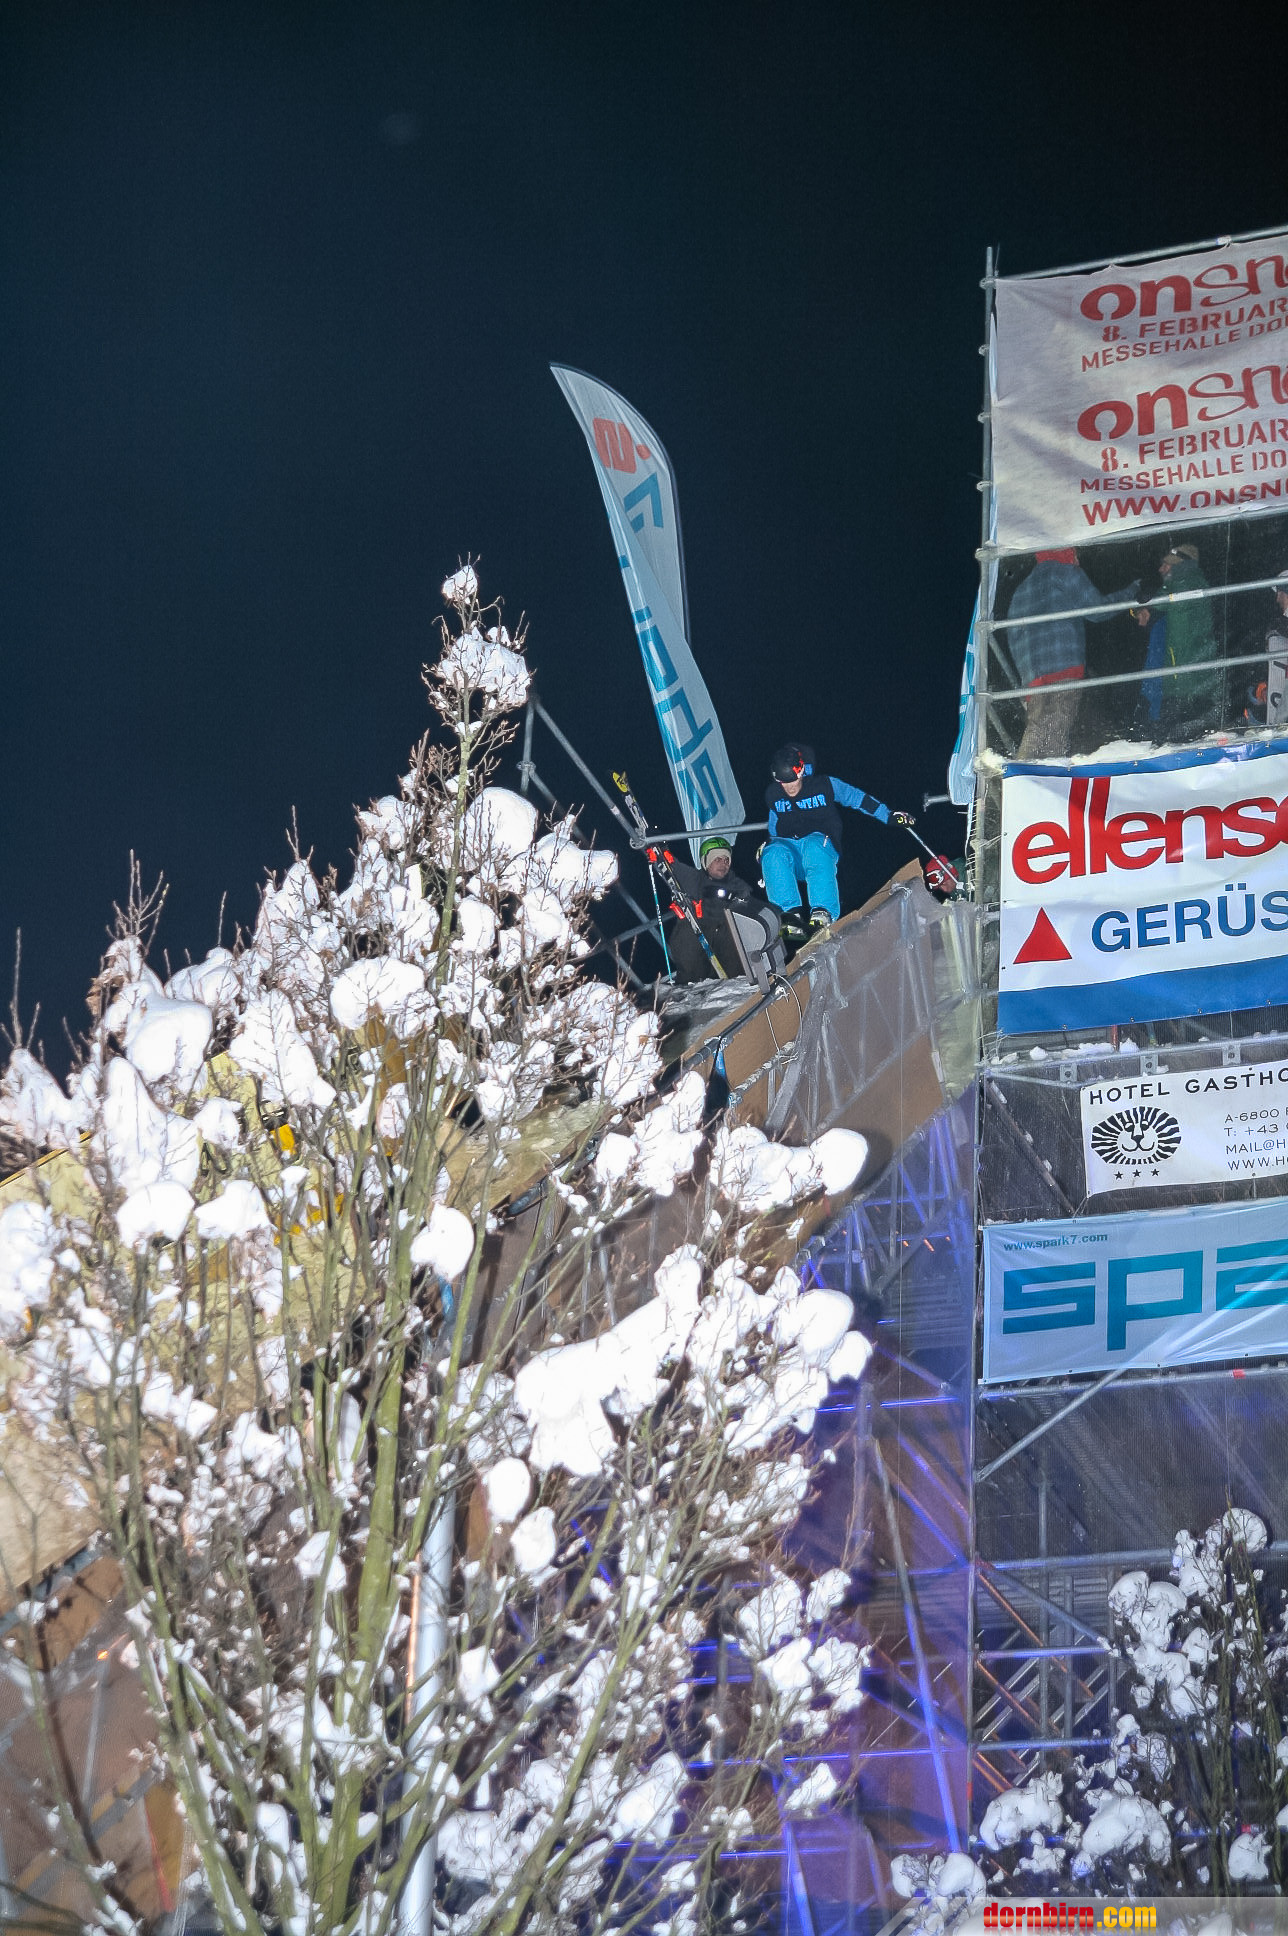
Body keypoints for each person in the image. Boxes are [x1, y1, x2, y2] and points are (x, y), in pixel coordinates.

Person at [761, 743, 910, 932]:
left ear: (801, 772)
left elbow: (857, 798)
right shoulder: (773, 795)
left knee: (813, 846)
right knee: (772, 853)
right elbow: (775, 826)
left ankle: (822, 911)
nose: (789, 788)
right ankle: (789, 916)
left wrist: (888, 815)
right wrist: (768, 848)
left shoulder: (824, 785)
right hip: (792, 852)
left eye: (793, 781)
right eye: (784, 783)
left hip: (820, 847)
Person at [1005, 548, 1138, 757]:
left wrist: (1027, 675)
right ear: (1067, 552)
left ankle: (1022, 770)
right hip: (1064, 665)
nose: (1078, 560)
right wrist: (1132, 592)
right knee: (1056, 732)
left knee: (1037, 729)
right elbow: (1097, 610)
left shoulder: (1022, 588)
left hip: (1032, 675)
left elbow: (1012, 635)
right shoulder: (1066, 573)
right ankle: (1048, 773)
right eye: (1076, 554)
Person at [659, 836, 765, 983]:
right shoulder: (694, 879)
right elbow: (671, 865)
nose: (723, 864)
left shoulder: (738, 886)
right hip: (699, 939)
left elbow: (751, 906)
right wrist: (660, 848)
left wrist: (732, 898)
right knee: (686, 930)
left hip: (726, 945)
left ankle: (738, 982)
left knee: (735, 930)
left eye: (726, 860)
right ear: (706, 862)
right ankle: (691, 983)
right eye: (717, 859)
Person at [1144, 543, 1222, 741]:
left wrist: (1147, 598)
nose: (1161, 569)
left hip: (1186, 683)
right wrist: (1140, 607)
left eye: (1167, 565)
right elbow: (1151, 610)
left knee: (1179, 738)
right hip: (1188, 681)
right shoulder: (1186, 586)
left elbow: (1159, 602)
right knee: (1186, 737)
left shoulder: (1187, 583)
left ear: (1182, 565)